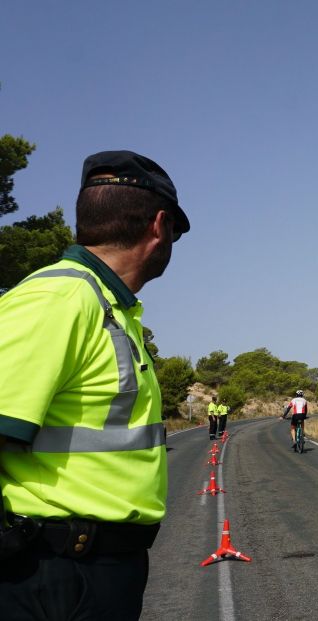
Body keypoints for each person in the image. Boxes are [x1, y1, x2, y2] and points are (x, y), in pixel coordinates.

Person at [0, 150, 190, 620]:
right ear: (159, 227)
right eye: (177, 234)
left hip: (99, 569)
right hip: (53, 577)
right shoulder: (59, 299)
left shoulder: (108, 306)